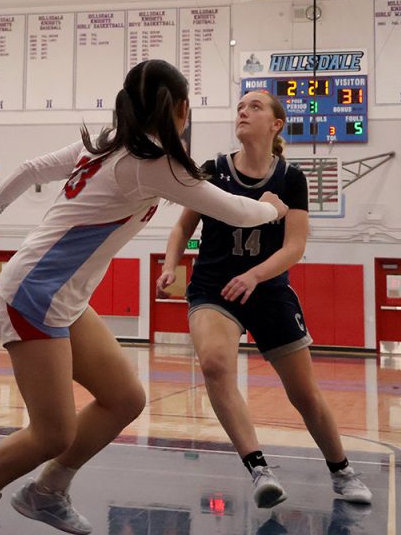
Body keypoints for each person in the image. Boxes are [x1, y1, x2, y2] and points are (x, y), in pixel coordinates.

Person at [0, 60, 290, 535]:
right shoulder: (155, 165)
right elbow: (236, 210)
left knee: (124, 397)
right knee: (53, 432)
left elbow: (28, 169)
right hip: (33, 294)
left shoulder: (110, 143)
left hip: (60, 295)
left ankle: (47, 492)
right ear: (182, 110)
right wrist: (270, 208)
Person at [158, 90, 373, 509]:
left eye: (254, 106)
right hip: (214, 287)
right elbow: (182, 228)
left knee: (304, 393)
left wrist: (255, 274)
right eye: (239, 106)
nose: (243, 111)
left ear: (276, 125)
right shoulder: (213, 170)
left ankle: (342, 470)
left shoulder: (291, 178)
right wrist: (170, 264)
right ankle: (258, 467)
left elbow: (294, 247)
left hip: (268, 288)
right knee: (216, 363)